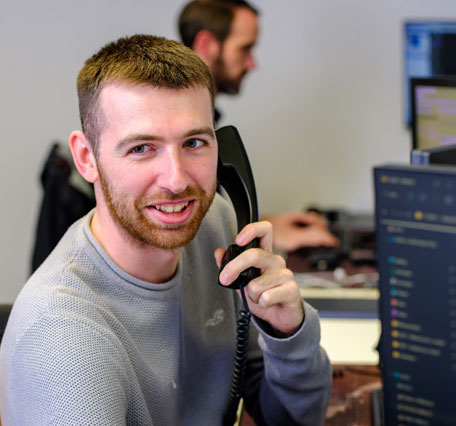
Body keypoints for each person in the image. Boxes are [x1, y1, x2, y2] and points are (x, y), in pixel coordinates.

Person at [0, 35, 331, 425]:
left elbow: (291, 418)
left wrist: (287, 335)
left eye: (194, 142)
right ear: (87, 158)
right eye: (141, 148)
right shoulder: (63, 340)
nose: (176, 181)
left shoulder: (215, 224)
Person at [178, 0, 339, 253]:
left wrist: (268, 223)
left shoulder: (205, 119)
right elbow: (176, 227)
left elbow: (204, 212)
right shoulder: (180, 130)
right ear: (207, 45)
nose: (252, 63)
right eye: (245, 49)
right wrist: (267, 236)